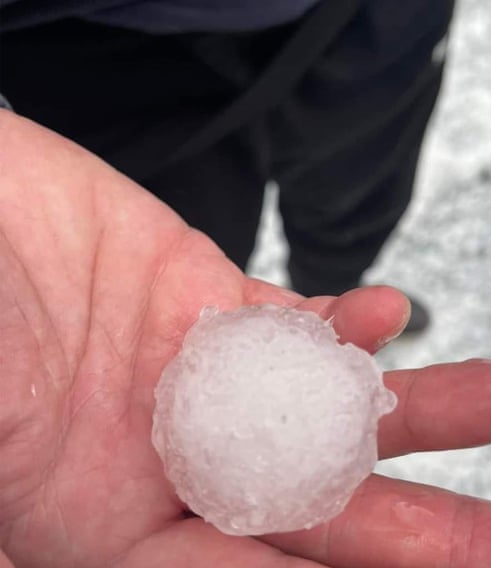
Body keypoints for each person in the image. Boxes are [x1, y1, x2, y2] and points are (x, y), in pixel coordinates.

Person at [0, 108, 491, 568]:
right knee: (197, 194)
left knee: (355, 179)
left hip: (359, 57)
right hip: (124, 91)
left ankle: (335, 269)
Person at [0, 0, 445, 331]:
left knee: (355, 185)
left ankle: (336, 293)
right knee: (179, 289)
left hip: (371, 20)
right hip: (101, 48)